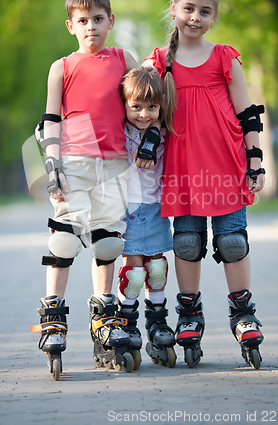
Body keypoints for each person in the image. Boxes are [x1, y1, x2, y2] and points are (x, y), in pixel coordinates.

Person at [144, 0, 266, 369]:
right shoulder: (159, 61)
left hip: (226, 165)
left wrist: (255, 161)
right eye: (189, 8)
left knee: (232, 241)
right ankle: (189, 313)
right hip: (182, 168)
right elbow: (138, 110)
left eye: (205, 11)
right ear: (174, 8)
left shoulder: (223, 58)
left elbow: (248, 115)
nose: (195, 17)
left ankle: (242, 312)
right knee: (187, 243)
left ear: (214, 17)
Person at [30, 0, 140, 375]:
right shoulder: (61, 66)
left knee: (107, 241)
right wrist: (52, 163)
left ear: (111, 21)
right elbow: (51, 119)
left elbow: (141, 104)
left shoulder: (124, 59)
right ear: (70, 26)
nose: (91, 26)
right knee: (63, 238)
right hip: (73, 161)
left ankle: (104, 317)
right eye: (83, 20)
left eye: (98, 19)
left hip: (114, 162)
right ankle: (54, 318)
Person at [116, 67, 176, 369]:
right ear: (125, 104)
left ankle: (157, 324)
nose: (143, 114)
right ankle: (126, 324)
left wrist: (154, 130)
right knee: (135, 273)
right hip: (127, 210)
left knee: (156, 270)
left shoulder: (162, 130)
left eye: (151, 107)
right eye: (136, 107)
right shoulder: (120, 129)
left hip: (154, 207)